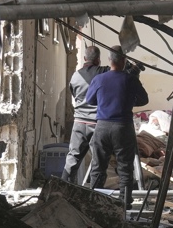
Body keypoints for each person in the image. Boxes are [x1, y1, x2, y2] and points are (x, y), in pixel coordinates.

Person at [85, 48, 149, 209]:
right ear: (124, 61)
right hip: (123, 128)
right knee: (125, 167)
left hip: (102, 127)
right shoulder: (130, 79)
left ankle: (95, 202)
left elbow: (90, 100)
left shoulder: (99, 79)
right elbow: (144, 100)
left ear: (109, 60)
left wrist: (105, 101)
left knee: (98, 166)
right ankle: (124, 204)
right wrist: (127, 100)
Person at [62, 45, 108, 181]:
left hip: (79, 123)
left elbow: (74, 93)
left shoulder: (75, 76)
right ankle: (95, 194)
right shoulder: (102, 73)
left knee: (72, 158)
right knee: (98, 162)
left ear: (84, 58)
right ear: (98, 59)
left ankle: (62, 189)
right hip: (96, 123)